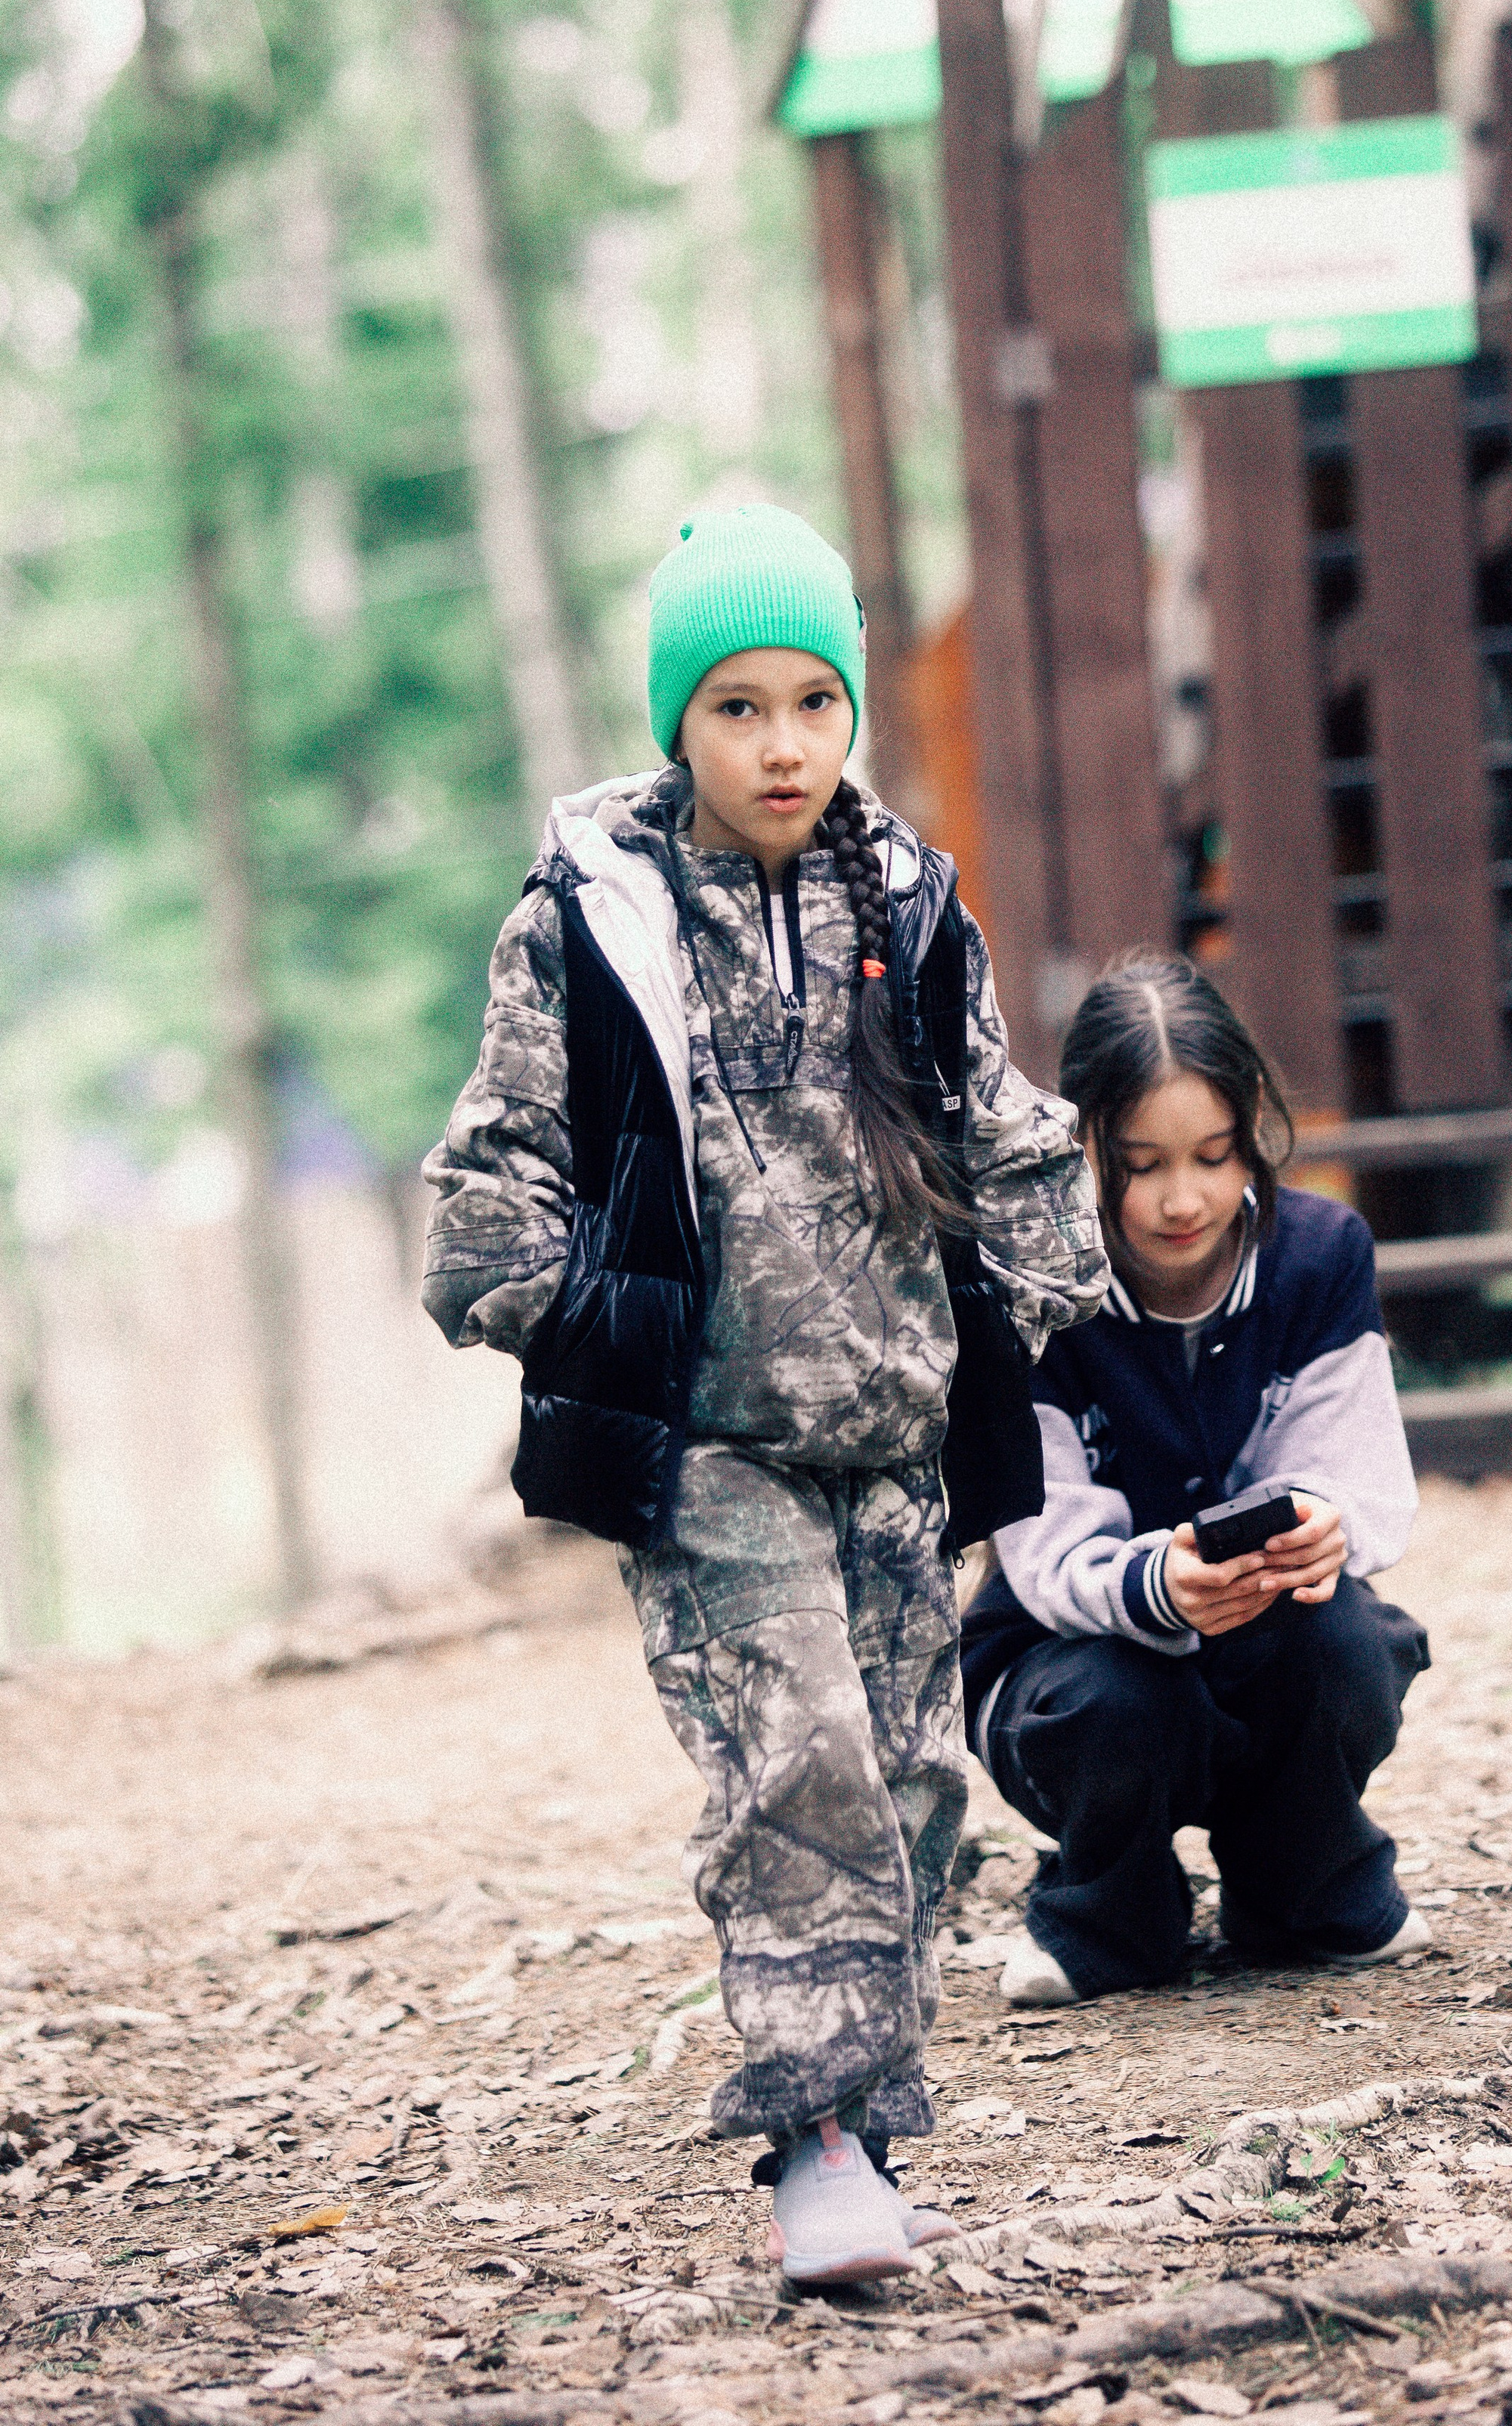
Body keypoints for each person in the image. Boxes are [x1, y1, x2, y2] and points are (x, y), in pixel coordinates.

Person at [421, 503, 1105, 2280]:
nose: (782, 742)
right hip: (711, 1444)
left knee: (905, 1787)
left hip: (890, 1439)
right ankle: (809, 2146)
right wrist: (576, 1313)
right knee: (789, 1763)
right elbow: (493, 1172)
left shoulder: (908, 900)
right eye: (735, 707)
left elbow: (997, 1124)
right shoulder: (593, 921)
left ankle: (868, 2130)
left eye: (814, 700)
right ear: (675, 723)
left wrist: (1073, 1308)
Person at [960, 956, 1430, 2008]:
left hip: (1261, 1628)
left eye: (1215, 1157)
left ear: (1255, 1123)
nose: (1184, 1200)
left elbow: (1357, 1475)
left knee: (1346, 1641)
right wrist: (1154, 1586)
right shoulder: (1029, 1284)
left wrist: (1321, 1528)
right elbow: (1040, 1550)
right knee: (1120, 1696)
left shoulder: (1318, 1256)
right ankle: (1107, 1914)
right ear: (1082, 1145)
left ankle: (1307, 1886)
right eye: (1140, 1165)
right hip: (1065, 1664)